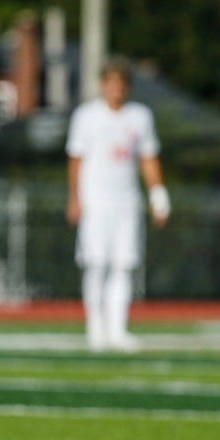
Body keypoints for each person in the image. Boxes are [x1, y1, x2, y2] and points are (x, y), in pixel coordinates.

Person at [66, 56, 168, 353]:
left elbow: (148, 158)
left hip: (127, 202)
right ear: (102, 85)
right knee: (96, 263)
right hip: (95, 201)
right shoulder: (86, 116)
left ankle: (117, 330)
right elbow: (76, 159)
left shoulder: (140, 116)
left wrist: (158, 196)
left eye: (121, 84)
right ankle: (95, 330)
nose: (115, 89)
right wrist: (75, 198)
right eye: (110, 83)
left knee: (124, 265)